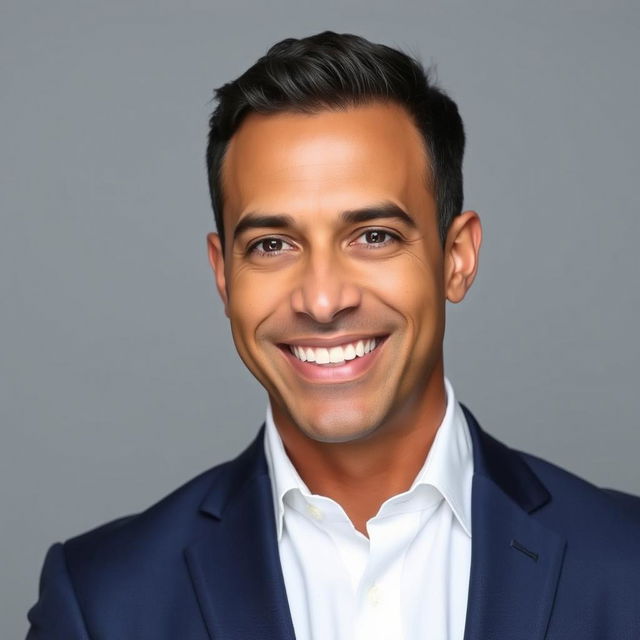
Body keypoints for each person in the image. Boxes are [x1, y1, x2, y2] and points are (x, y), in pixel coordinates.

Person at [26, 31, 640, 640]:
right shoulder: (102, 603)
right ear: (223, 275)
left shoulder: (626, 564)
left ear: (456, 257)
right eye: (272, 245)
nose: (322, 301)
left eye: (374, 236)